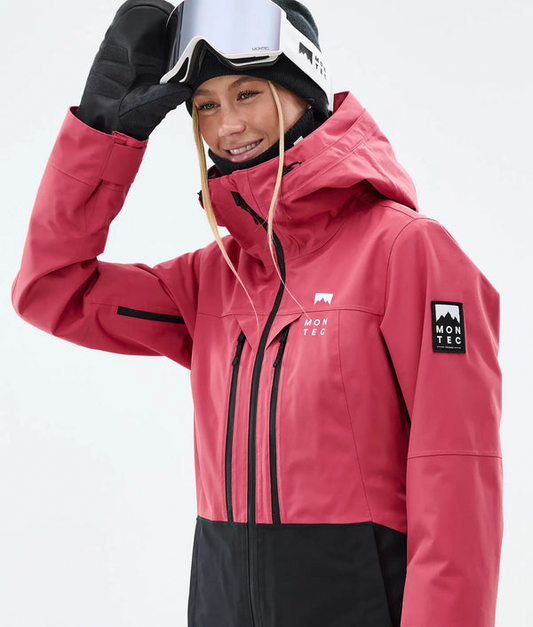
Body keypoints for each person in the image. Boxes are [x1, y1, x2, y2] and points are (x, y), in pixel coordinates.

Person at [12, 0, 503, 625]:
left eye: (247, 93)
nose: (229, 125)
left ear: (303, 89)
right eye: (205, 106)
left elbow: (457, 479)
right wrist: (106, 134)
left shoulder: (406, 252)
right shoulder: (212, 278)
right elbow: (51, 289)